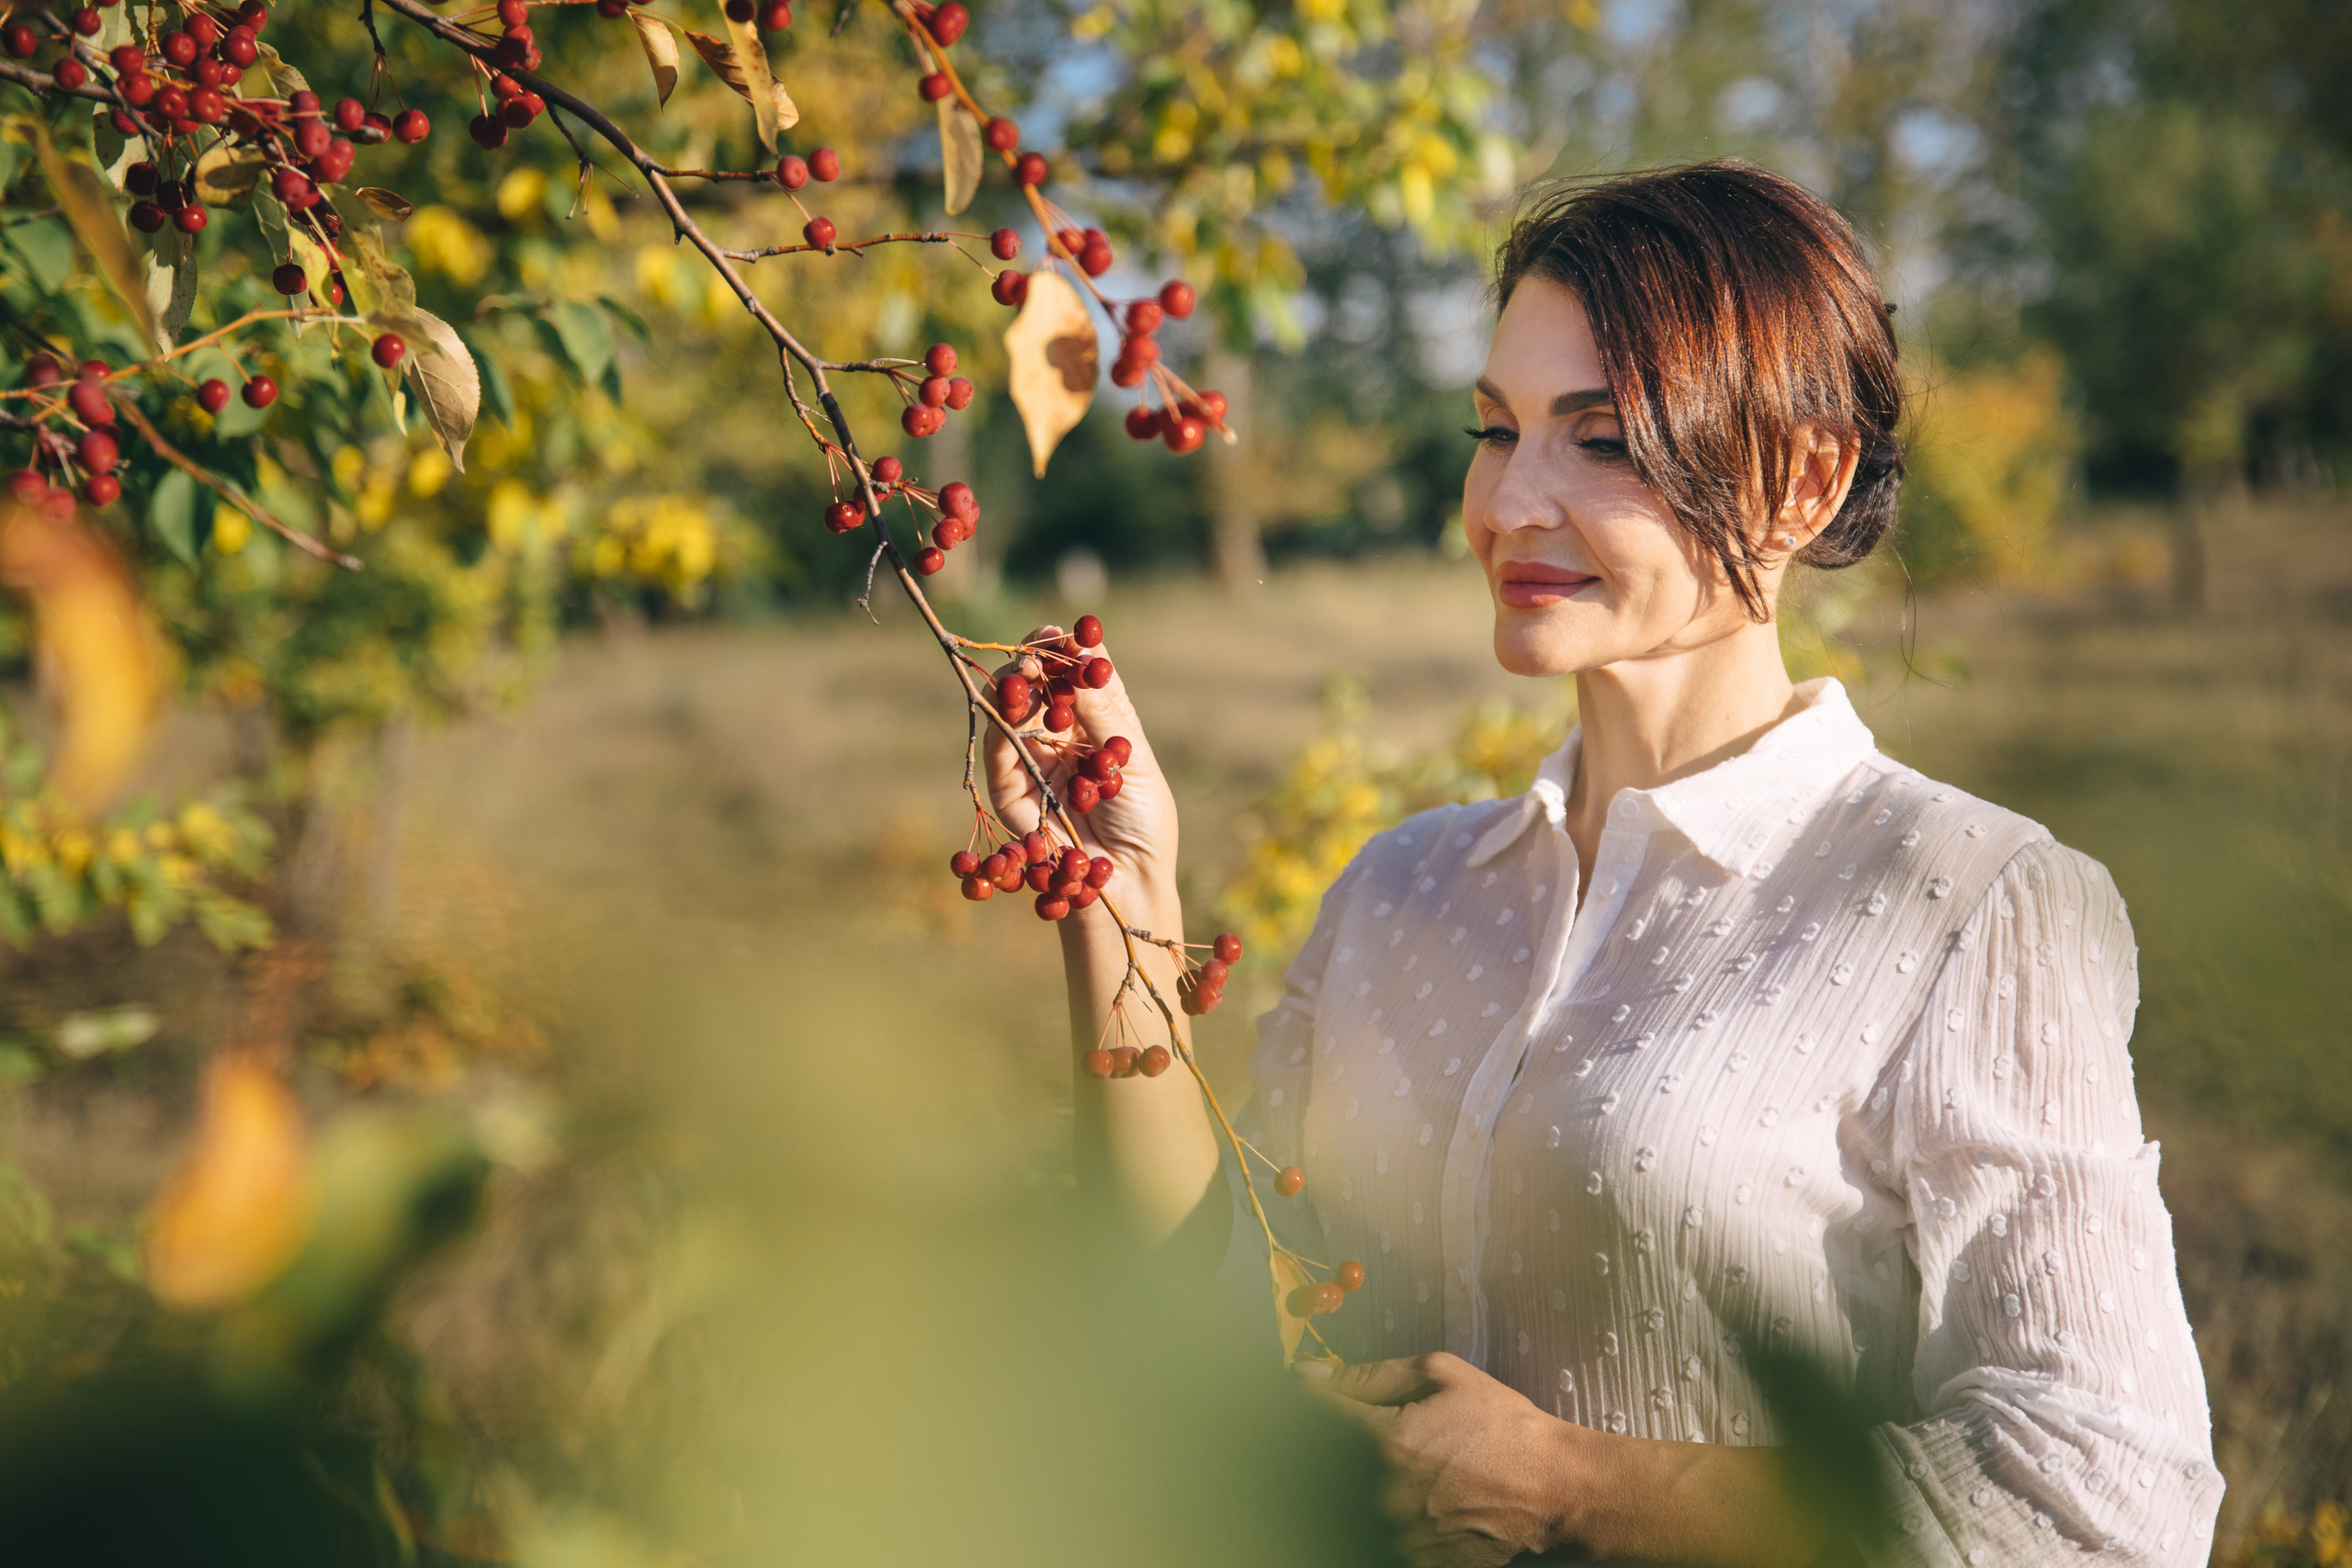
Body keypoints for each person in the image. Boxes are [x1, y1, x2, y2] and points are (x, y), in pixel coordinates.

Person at [987, 161, 2220, 1567]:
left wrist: (1573, 1486)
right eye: (1494, 429)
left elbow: (2104, 1499)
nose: (1510, 501)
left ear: (1804, 479)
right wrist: (1123, 908)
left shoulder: (1973, 904)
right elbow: (1194, 1327)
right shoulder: (1397, 890)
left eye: (1605, 440)